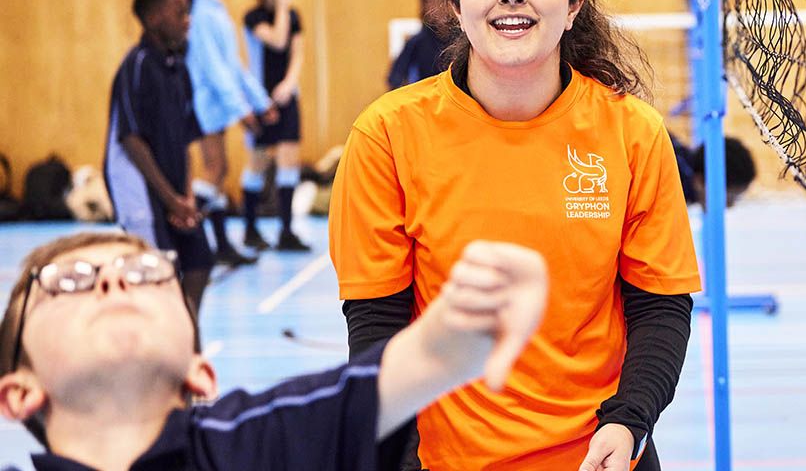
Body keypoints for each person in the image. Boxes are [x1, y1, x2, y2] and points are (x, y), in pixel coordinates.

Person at [330, 0, 701, 470]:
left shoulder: (633, 133)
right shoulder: (386, 135)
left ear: (574, 3)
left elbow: (660, 306)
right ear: (456, 5)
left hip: (601, 455)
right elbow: (377, 326)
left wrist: (630, 421)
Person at [0, 231, 547, 469]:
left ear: (200, 375)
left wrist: (485, 302)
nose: (113, 283)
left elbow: (434, 352)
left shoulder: (265, 444)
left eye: (145, 274)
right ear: (18, 393)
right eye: (67, 281)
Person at [102, 0, 212, 315]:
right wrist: (170, 199)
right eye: (179, 12)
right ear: (153, 18)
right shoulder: (136, 65)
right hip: (139, 190)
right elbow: (131, 140)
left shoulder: (178, 68)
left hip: (173, 191)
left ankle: (186, 340)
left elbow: (185, 140)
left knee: (199, 263)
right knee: (157, 275)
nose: (187, 20)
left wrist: (187, 198)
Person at [181, 0, 276, 267]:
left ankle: (220, 244)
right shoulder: (200, 13)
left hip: (220, 101)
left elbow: (233, 64)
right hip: (208, 101)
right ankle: (182, 224)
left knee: (219, 170)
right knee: (215, 168)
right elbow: (213, 67)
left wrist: (259, 101)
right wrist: (241, 108)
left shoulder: (214, 9)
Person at [241, 0, 310, 252]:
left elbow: (296, 53)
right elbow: (277, 40)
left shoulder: (294, 16)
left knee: (289, 158)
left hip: (286, 96)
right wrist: (282, 6)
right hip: (259, 96)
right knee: (258, 162)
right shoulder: (254, 16)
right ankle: (250, 228)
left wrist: (289, 84)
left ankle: (286, 229)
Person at [387, 0, 451, 90]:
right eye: (433, 2)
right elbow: (395, 79)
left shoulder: (461, 40)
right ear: (424, 7)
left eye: (442, 1)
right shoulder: (416, 43)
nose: (438, 8)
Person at [669, 133, 757, 209]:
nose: (730, 206)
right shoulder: (672, 187)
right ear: (700, 181)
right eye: (729, 198)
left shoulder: (677, 156)